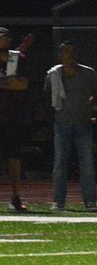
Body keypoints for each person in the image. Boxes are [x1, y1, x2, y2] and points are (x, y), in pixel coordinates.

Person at [44, 41, 97, 211]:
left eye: (72, 52)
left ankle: (90, 201)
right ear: (61, 55)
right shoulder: (53, 74)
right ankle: (58, 201)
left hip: (83, 123)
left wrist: (87, 108)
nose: (69, 56)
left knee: (87, 164)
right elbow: (47, 96)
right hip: (62, 124)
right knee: (60, 163)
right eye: (66, 52)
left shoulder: (88, 73)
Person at [0, 28, 32, 212]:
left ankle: (16, 196)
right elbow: (14, 83)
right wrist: (9, 84)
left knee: (13, 157)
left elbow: (22, 84)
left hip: (11, 116)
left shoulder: (16, 59)